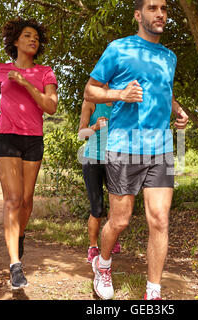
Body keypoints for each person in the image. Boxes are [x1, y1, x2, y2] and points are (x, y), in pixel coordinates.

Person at [83, 0, 189, 300]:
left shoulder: (169, 57)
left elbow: (164, 93)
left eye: (165, 9)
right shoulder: (118, 48)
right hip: (124, 146)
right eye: (153, 8)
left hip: (161, 148)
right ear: (138, 14)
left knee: (159, 219)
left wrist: (178, 111)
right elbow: (90, 90)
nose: (160, 14)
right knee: (120, 221)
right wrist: (119, 94)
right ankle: (102, 265)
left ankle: (153, 292)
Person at [0, 18, 58, 289]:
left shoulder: (45, 73)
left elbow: (51, 107)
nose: (34, 40)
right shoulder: (1, 69)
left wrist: (26, 83)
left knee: (27, 200)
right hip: (5, 138)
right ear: (16, 41)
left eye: (37, 37)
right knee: (13, 198)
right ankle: (15, 264)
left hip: (33, 140)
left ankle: (18, 236)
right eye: (28, 36)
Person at [78, 86, 121, 263]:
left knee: (117, 205)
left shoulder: (120, 102)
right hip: (92, 159)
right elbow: (82, 133)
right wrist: (95, 127)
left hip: (115, 158)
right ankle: (93, 247)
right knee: (97, 208)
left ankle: (112, 240)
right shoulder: (90, 102)